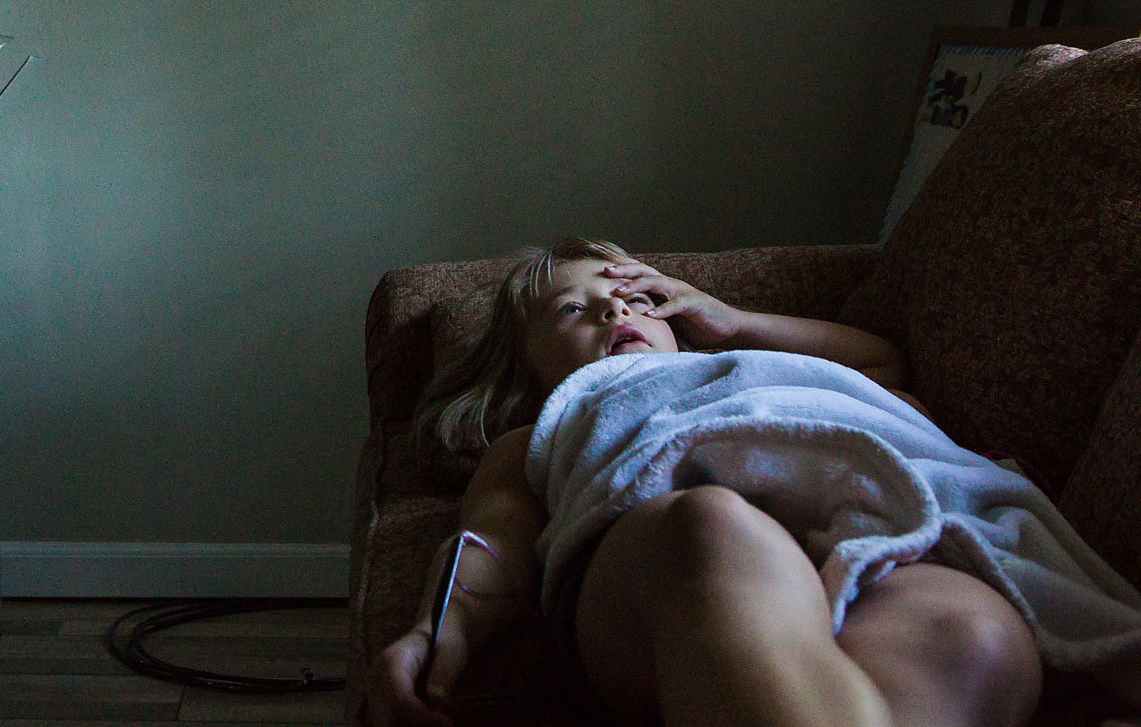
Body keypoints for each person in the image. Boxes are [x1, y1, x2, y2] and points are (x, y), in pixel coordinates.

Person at [366, 238, 1141, 727]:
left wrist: (731, 320)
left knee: (977, 635)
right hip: (663, 562)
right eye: (575, 307)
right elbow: (492, 539)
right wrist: (439, 628)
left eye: (633, 296)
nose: (614, 306)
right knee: (713, 527)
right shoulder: (545, 426)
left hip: (882, 544)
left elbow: (881, 364)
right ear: (525, 367)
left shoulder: (746, 365)